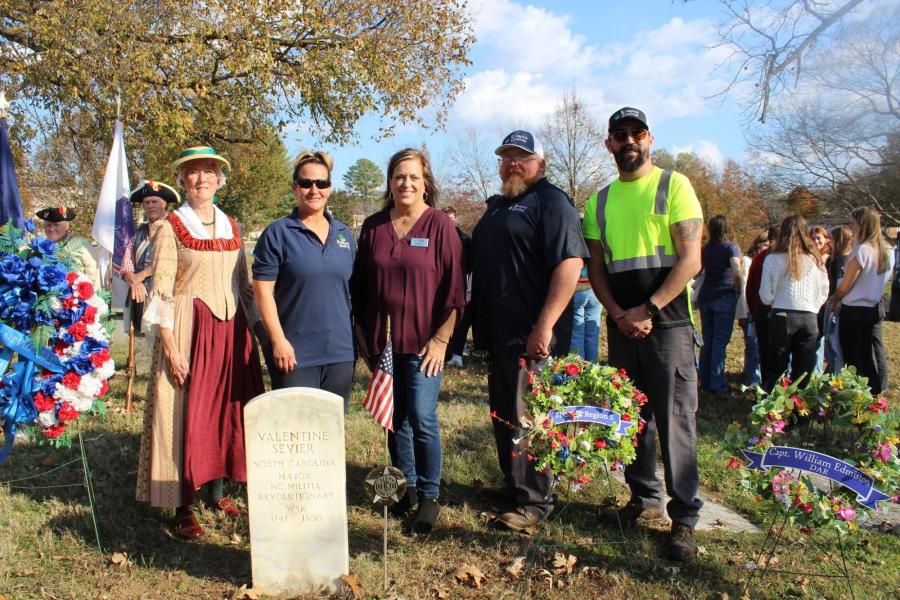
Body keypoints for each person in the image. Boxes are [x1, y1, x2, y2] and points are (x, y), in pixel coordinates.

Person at [585, 107, 703, 562]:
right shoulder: (597, 202)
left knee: (676, 423)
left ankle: (685, 518)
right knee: (631, 420)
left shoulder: (675, 185)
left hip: (668, 327)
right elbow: (596, 267)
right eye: (620, 134)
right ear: (609, 144)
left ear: (649, 138)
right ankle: (642, 497)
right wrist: (618, 314)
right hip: (623, 329)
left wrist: (647, 309)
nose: (629, 140)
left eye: (636, 132)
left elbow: (690, 260)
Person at [136, 146, 264, 539]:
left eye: (209, 172)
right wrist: (172, 348)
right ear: (182, 180)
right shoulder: (170, 227)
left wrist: (256, 332)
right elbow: (161, 292)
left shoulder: (233, 225)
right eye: (193, 173)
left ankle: (217, 487)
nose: (202, 179)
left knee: (224, 411)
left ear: (220, 179)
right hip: (190, 329)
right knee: (186, 412)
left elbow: (243, 285)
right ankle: (183, 504)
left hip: (231, 330)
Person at [471, 129, 588, 534]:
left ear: (540, 162)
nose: (512, 163)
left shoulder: (552, 202)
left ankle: (536, 501)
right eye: (506, 156)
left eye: (521, 156)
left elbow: (570, 264)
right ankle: (514, 485)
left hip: (532, 335)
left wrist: (546, 324)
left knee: (530, 419)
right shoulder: (500, 205)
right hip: (498, 334)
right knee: (505, 414)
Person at [350, 148, 464, 534]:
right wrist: (365, 342)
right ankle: (405, 486)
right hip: (383, 346)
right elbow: (361, 287)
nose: (406, 183)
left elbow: (454, 290)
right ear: (390, 181)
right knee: (394, 418)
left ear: (425, 181)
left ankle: (430, 495)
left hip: (424, 345)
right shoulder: (373, 227)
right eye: (399, 176)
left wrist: (441, 340)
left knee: (422, 416)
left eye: (414, 176)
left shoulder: (439, 227)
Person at [252, 151, 356, 410]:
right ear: (294, 187)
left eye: (321, 183)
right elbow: (262, 292)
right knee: (295, 436)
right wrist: (278, 341)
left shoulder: (345, 235)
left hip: (340, 353)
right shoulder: (278, 233)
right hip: (294, 354)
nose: (314, 190)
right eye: (306, 183)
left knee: (331, 433)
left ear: (329, 188)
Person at [759, 215, 828, 391]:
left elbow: (765, 296)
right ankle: (800, 414)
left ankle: (773, 414)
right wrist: (813, 306)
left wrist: (780, 300)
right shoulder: (816, 259)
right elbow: (824, 291)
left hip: (782, 315)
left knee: (776, 369)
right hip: (809, 318)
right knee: (803, 372)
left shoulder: (773, 259)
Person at [832, 207, 894, 394]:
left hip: (854, 310)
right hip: (871, 308)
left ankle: (858, 398)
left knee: (854, 358)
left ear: (862, 224)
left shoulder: (862, 250)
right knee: (869, 356)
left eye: (853, 223)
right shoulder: (884, 250)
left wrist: (835, 298)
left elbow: (846, 284)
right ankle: (873, 393)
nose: (851, 226)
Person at [119, 181, 180, 335]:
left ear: (164, 203)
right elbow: (126, 263)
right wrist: (132, 280)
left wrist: (142, 275)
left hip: (166, 295)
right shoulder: (139, 231)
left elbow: (177, 261)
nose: (151, 205)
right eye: (147, 202)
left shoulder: (177, 228)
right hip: (140, 298)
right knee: (144, 348)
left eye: (155, 201)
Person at [696, 215, 742, 394]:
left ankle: (705, 381)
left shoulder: (705, 249)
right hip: (724, 296)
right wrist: (738, 290)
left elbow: (697, 272)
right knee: (720, 342)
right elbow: (737, 270)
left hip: (706, 296)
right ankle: (717, 384)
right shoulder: (731, 247)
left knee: (708, 341)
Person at [745, 225, 778, 387]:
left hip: (762, 310)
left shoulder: (761, 258)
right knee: (770, 352)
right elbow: (751, 287)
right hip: (768, 310)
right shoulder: (765, 258)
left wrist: (753, 310)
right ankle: (771, 387)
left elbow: (750, 288)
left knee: (766, 352)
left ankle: (768, 385)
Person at [36, 206, 101, 286]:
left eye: (56, 225)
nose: (52, 229)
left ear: (66, 226)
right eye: (48, 225)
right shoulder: (41, 247)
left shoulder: (80, 244)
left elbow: (93, 271)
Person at [736, 234, 769, 387]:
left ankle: (750, 371)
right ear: (758, 245)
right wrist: (744, 311)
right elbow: (744, 287)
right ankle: (752, 378)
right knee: (752, 344)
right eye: (765, 245)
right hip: (750, 307)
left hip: (762, 306)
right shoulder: (748, 261)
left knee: (755, 344)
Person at [442, 206, 472, 368]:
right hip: (438, 285)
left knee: (458, 319)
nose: (449, 221)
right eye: (446, 218)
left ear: (456, 219)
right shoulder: (435, 237)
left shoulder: (465, 239)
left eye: (451, 218)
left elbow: (471, 264)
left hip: (460, 283)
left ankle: (456, 350)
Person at [823, 225, 853, 373]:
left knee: (832, 343)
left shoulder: (839, 262)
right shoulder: (841, 260)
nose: (829, 242)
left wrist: (833, 302)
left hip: (835, 304)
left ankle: (835, 375)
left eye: (832, 238)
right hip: (836, 302)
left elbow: (836, 286)